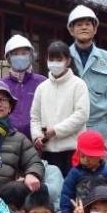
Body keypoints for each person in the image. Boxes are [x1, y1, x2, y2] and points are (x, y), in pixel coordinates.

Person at [30, 40, 89, 176]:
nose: (55, 63)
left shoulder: (79, 85)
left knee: (70, 192)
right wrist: (37, 136)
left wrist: (56, 131)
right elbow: (35, 117)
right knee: (51, 192)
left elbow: (81, 115)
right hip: (48, 152)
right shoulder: (42, 88)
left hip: (73, 151)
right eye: (51, 59)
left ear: (68, 61)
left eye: (59, 59)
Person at [66, 6, 107, 139]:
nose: (84, 27)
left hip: (97, 123)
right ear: (71, 30)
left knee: (98, 159)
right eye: (79, 24)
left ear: (95, 29)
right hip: (68, 121)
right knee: (69, 159)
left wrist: (100, 109)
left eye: (88, 24)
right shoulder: (63, 56)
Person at [58, 130, 107, 213]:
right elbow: (66, 193)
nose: (86, 160)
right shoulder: (75, 173)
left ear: (99, 156)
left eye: (90, 157)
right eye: (82, 156)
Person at [0, 34, 45, 139]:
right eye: (15, 54)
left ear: (31, 56)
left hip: (36, 142)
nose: (20, 57)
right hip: (8, 142)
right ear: (8, 58)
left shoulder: (42, 82)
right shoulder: (1, 85)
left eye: (24, 53)